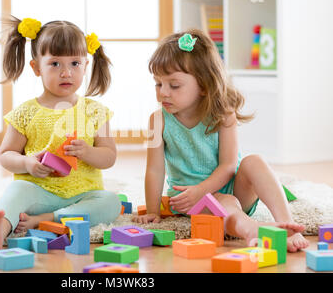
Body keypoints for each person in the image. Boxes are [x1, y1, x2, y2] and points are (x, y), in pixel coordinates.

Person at [132, 29, 309, 252]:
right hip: (190, 198)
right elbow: (155, 170)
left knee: (254, 161)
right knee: (226, 204)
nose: (163, 93)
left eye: (174, 85)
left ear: (204, 86)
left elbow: (228, 166)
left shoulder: (223, 115)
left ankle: (289, 225)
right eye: (158, 84)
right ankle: (251, 230)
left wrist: (203, 188)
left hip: (233, 188)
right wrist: (152, 211)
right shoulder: (158, 121)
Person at [0, 17, 121, 251]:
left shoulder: (94, 111)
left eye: (75, 63)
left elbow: (109, 157)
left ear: (86, 65)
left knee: (110, 203)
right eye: (55, 64)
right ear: (36, 67)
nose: (66, 73)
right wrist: (27, 162)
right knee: (16, 191)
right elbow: (5, 155)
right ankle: (0, 228)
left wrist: (87, 152)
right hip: (38, 193)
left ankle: (47, 220)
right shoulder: (26, 112)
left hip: (82, 196)